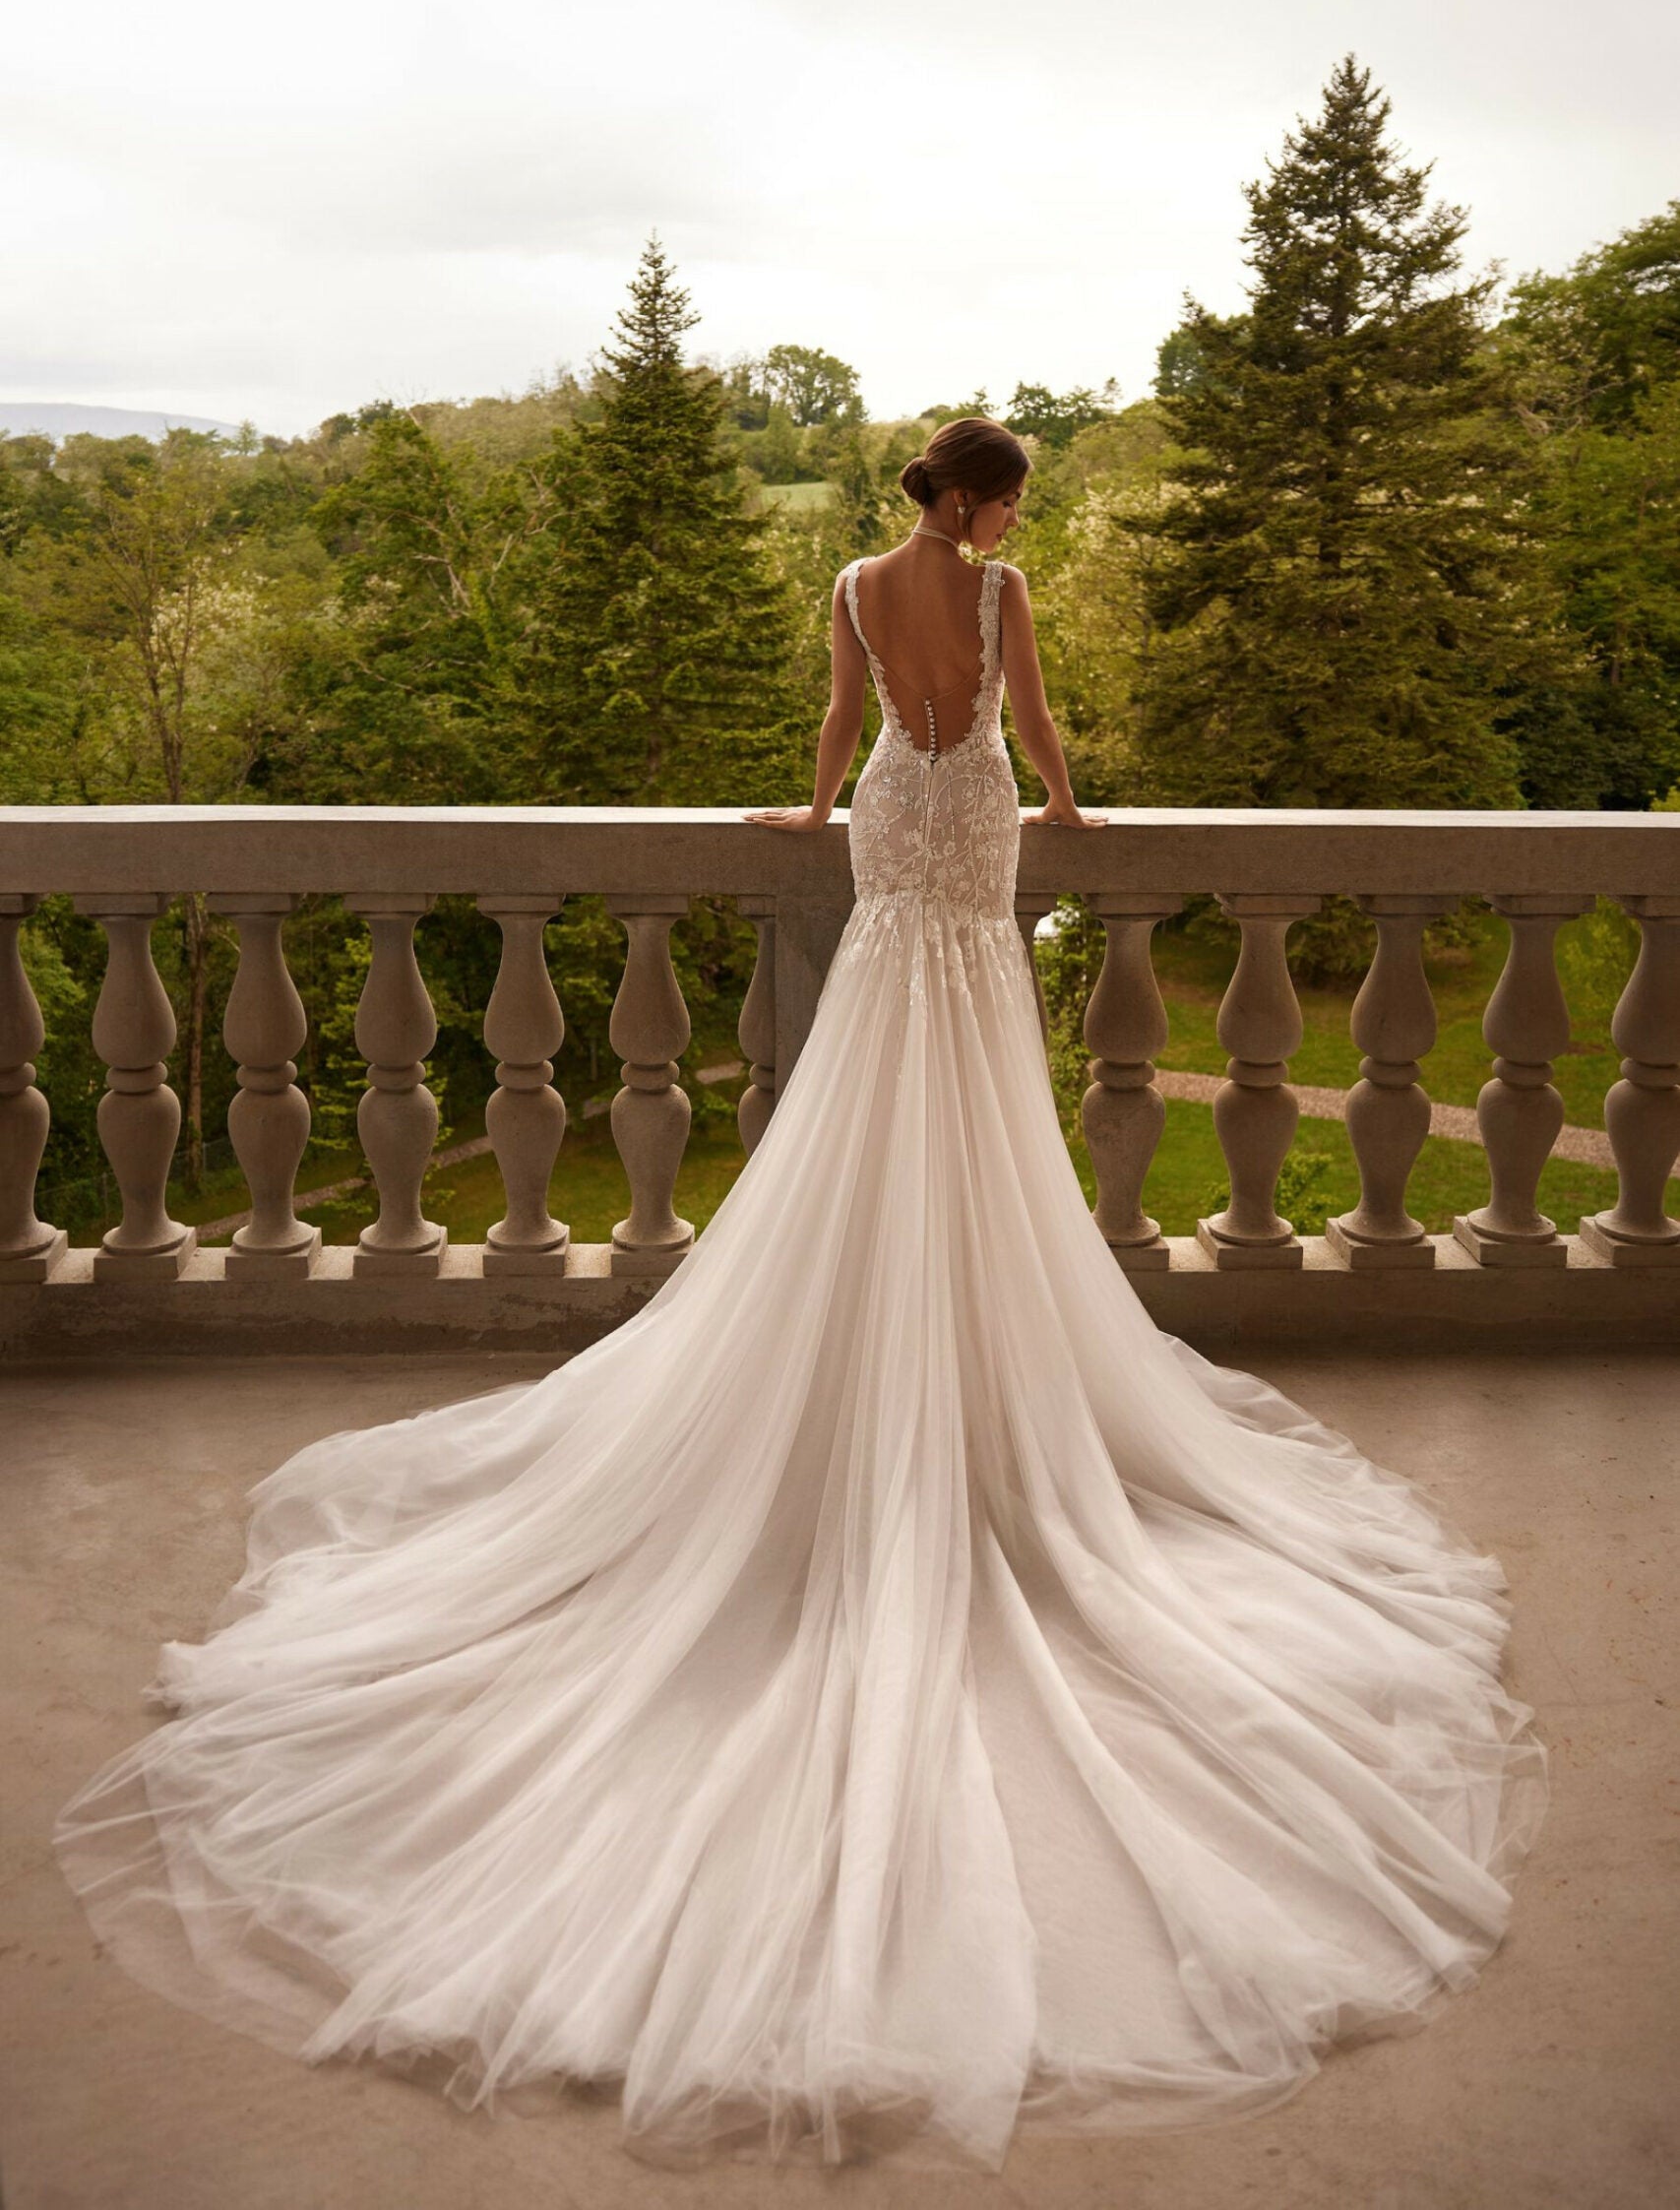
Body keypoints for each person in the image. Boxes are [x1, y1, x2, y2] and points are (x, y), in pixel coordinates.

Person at [54, 415, 1548, 2176]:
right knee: (979, 1077)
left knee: (875, 1076)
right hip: (968, 833)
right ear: (981, 501)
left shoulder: (852, 579)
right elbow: (1045, 741)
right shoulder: (999, 596)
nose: (1011, 520)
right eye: (1011, 498)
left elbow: (835, 742)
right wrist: (1062, 806)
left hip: (895, 827)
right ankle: (980, 1366)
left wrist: (819, 806)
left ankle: (872, 1349)